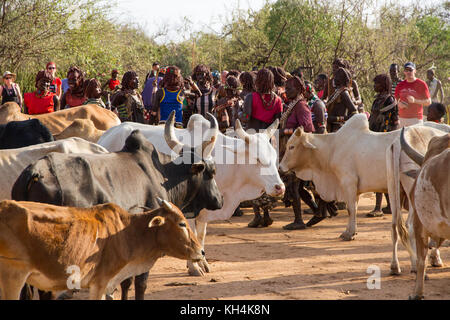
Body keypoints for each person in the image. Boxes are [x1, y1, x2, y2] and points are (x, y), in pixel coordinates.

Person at [367, 74, 398, 217]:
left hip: (384, 139)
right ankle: (389, 206)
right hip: (376, 137)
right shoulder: (379, 99)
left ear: (384, 85)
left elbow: (393, 122)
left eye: (376, 83)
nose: (374, 86)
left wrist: (384, 136)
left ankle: (378, 208)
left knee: (380, 172)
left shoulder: (389, 100)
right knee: (381, 172)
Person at [394, 62, 431, 127]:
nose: (408, 72)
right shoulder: (400, 85)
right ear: (404, 72)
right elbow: (395, 100)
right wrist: (399, 104)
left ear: (415, 71)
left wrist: (415, 101)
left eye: (410, 70)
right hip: (402, 119)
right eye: (406, 70)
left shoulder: (421, 84)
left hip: (416, 120)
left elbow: (428, 102)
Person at [326, 67, 358, 132]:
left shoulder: (344, 93)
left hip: (339, 129)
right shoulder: (337, 91)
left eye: (335, 77)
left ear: (339, 80)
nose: (333, 80)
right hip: (331, 127)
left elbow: (354, 112)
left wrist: (338, 118)